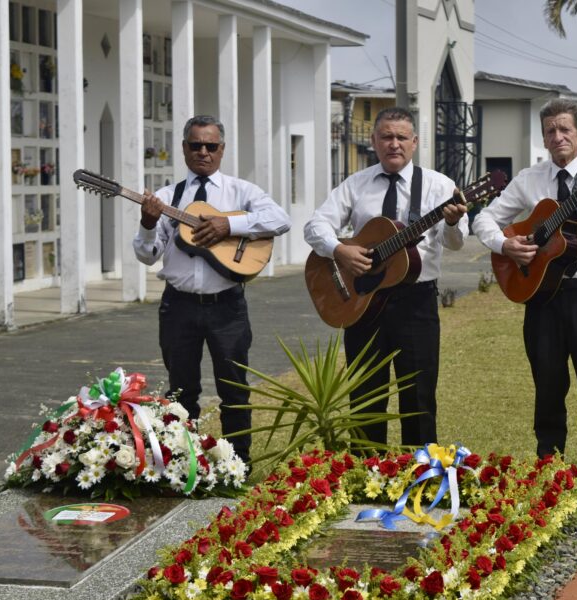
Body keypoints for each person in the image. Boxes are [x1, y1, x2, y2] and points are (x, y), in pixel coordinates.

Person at [471, 99, 577, 507]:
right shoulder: (530, 180)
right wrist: (506, 244)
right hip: (541, 300)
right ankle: (551, 478)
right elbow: (482, 220)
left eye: (565, 129)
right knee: (548, 391)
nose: (558, 137)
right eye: (550, 130)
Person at [303, 107, 468, 449]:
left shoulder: (439, 186)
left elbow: (455, 243)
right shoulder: (356, 184)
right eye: (386, 137)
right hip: (363, 304)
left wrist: (452, 222)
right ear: (375, 142)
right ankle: (365, 474)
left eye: (401, 137)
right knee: (364, 394)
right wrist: (339, 251)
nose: (394, 144)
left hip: (416, 302)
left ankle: (419, 475)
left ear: (415, 142)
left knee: (419, 395)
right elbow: (315, 226)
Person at [134, 114, 291, 463]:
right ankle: (181, 464)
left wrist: (228, 224)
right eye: (195, 145)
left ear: (222, 149)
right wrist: (148, 222)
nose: (203, 152)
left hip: (227, 307)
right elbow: (147, 255)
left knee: (234, 389)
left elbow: (281, 219)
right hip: (179, 306)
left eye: (211, 146)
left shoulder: (241, 191)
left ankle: (238, 464)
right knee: (180, 391)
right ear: (184, 149)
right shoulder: (166, 197)